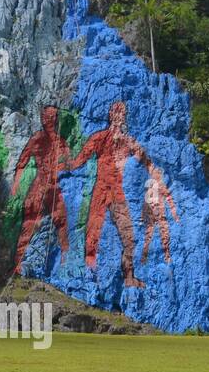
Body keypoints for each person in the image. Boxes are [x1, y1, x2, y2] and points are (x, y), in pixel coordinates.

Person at [68, 101, 158, 288]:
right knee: (92, 231)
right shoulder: (100, 138)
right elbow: (79, 160)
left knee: (129, 236)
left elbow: (147, 162)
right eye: (116, 113)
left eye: (122, 113)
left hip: (117, 194)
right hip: (101, 190)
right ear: (110, 115)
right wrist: (61, 164)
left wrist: (151, 173)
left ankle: (129, 276)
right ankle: (87, 272)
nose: (119, 117)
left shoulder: (128, 141)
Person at [12, 106, 74, 274]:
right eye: (47, 117)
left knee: (62, 222)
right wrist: (15, 186)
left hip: (54, 188)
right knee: (30, 223)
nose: (50, 120)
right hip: (39, 185)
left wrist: (64, 163)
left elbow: (70, 164)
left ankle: (65, 263)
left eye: (53, 117)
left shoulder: (61, 142)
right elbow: (22, 162)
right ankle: (18, 263)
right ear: (42, 118)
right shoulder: (37, 139)